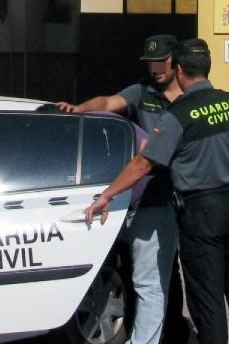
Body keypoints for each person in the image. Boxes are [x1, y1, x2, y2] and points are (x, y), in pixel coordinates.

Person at [83, 39, 229, 344]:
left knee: (208, 300)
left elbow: (143, 164)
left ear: (178, 69)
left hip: (203, 212)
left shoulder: (179, 114)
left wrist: (107, 195)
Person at [57, 34, 187, 344]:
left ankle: (174, 331)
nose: (155, 68)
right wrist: (80, 109)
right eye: (150, 62)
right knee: (141, 273)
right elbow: (107, 102)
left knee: (172, 274)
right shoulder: (141, 92)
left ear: (175, 62)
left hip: (182, 193)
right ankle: (148, 331)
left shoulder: (189, 98)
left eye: (161, 62)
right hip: (146, 194)